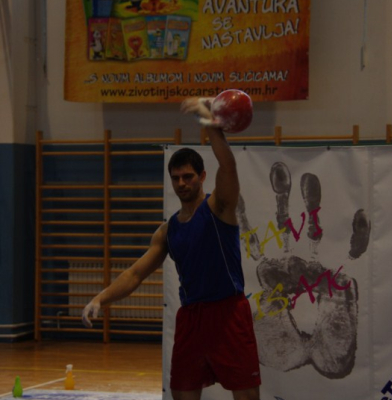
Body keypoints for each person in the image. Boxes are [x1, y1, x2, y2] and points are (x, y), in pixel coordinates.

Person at [82, 97, 261, 400]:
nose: (181, 183)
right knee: (182, 393)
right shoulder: (167, 231)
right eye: (176, 178)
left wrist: (211, 123)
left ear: (202, 177)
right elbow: (135, 274)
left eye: (188, 176)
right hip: (191, 319)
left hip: (228, 313)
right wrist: (100, 298)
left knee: (246, 396)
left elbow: (228, 165)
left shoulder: (219, 208)